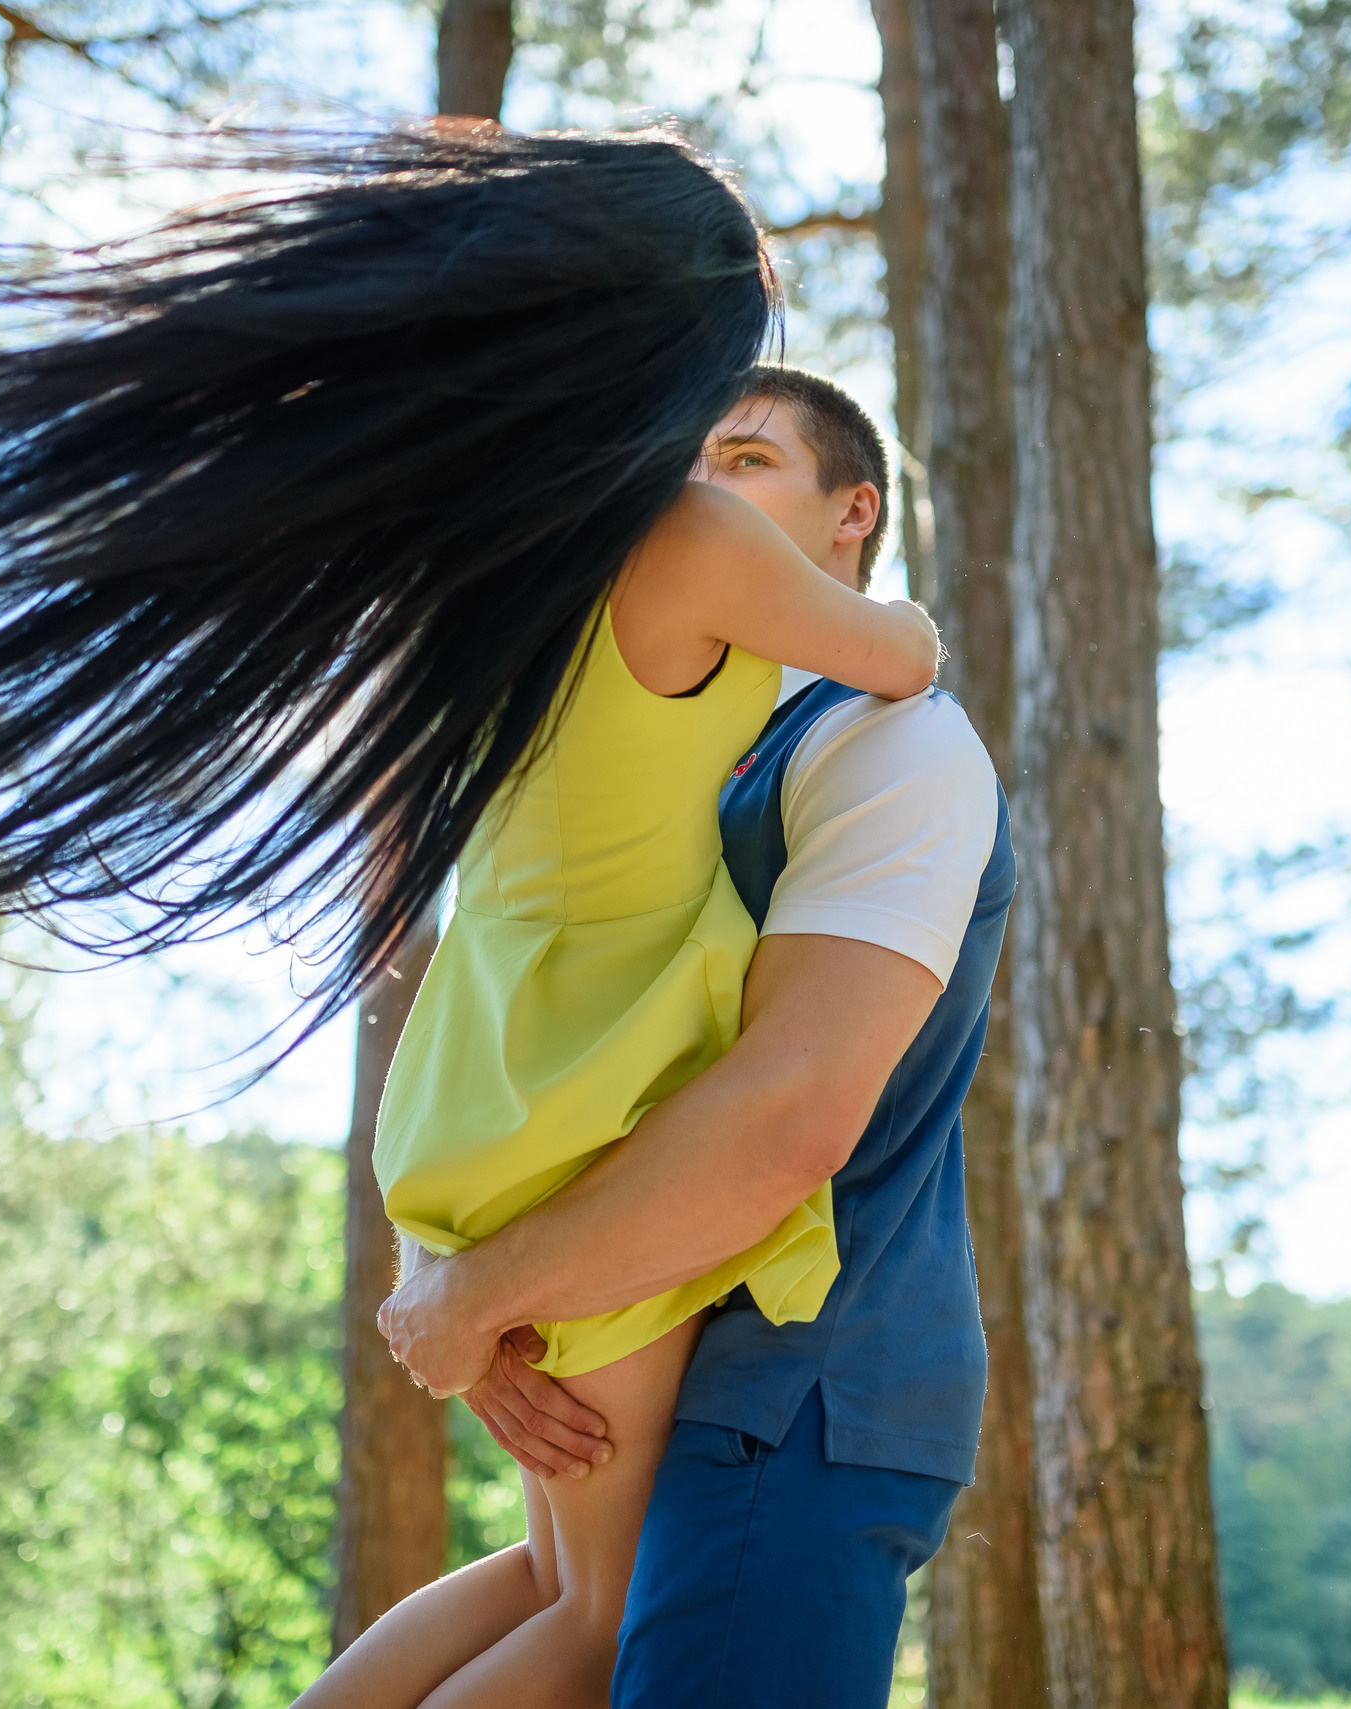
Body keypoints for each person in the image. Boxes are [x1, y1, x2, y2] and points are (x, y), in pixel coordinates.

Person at [0, 130, 940, 1707]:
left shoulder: (501, 549)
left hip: (475, 1098)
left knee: (553, 1569)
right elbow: (893, 658)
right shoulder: (696, 544)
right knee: (607, 1614)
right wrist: (888, 600)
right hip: (595, 1100)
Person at [373, 366, 1013, 1709]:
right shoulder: (678, 727)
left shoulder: (896, 745)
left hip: (810, 1378)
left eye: (748, 460)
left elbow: (790, 1113)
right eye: (694, 458)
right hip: (674, 1323)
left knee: (582, 1619)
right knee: (560, 1599)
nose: (702, 487)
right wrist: (482, 1284)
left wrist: (484, 1289)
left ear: (856, 512)